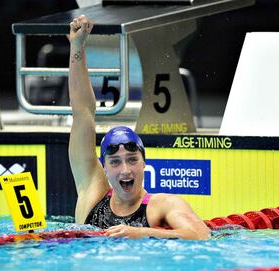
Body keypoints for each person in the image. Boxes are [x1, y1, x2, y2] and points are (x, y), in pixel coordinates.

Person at [68, 15, 210, 240]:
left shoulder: (161, 205)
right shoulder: (92, 194)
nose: (125, 170)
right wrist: (77, 46)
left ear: (145, 163)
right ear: (104, 167)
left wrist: (141, 233)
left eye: (132, 159)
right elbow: (82, 112)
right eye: (115, 162)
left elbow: (201, 234)